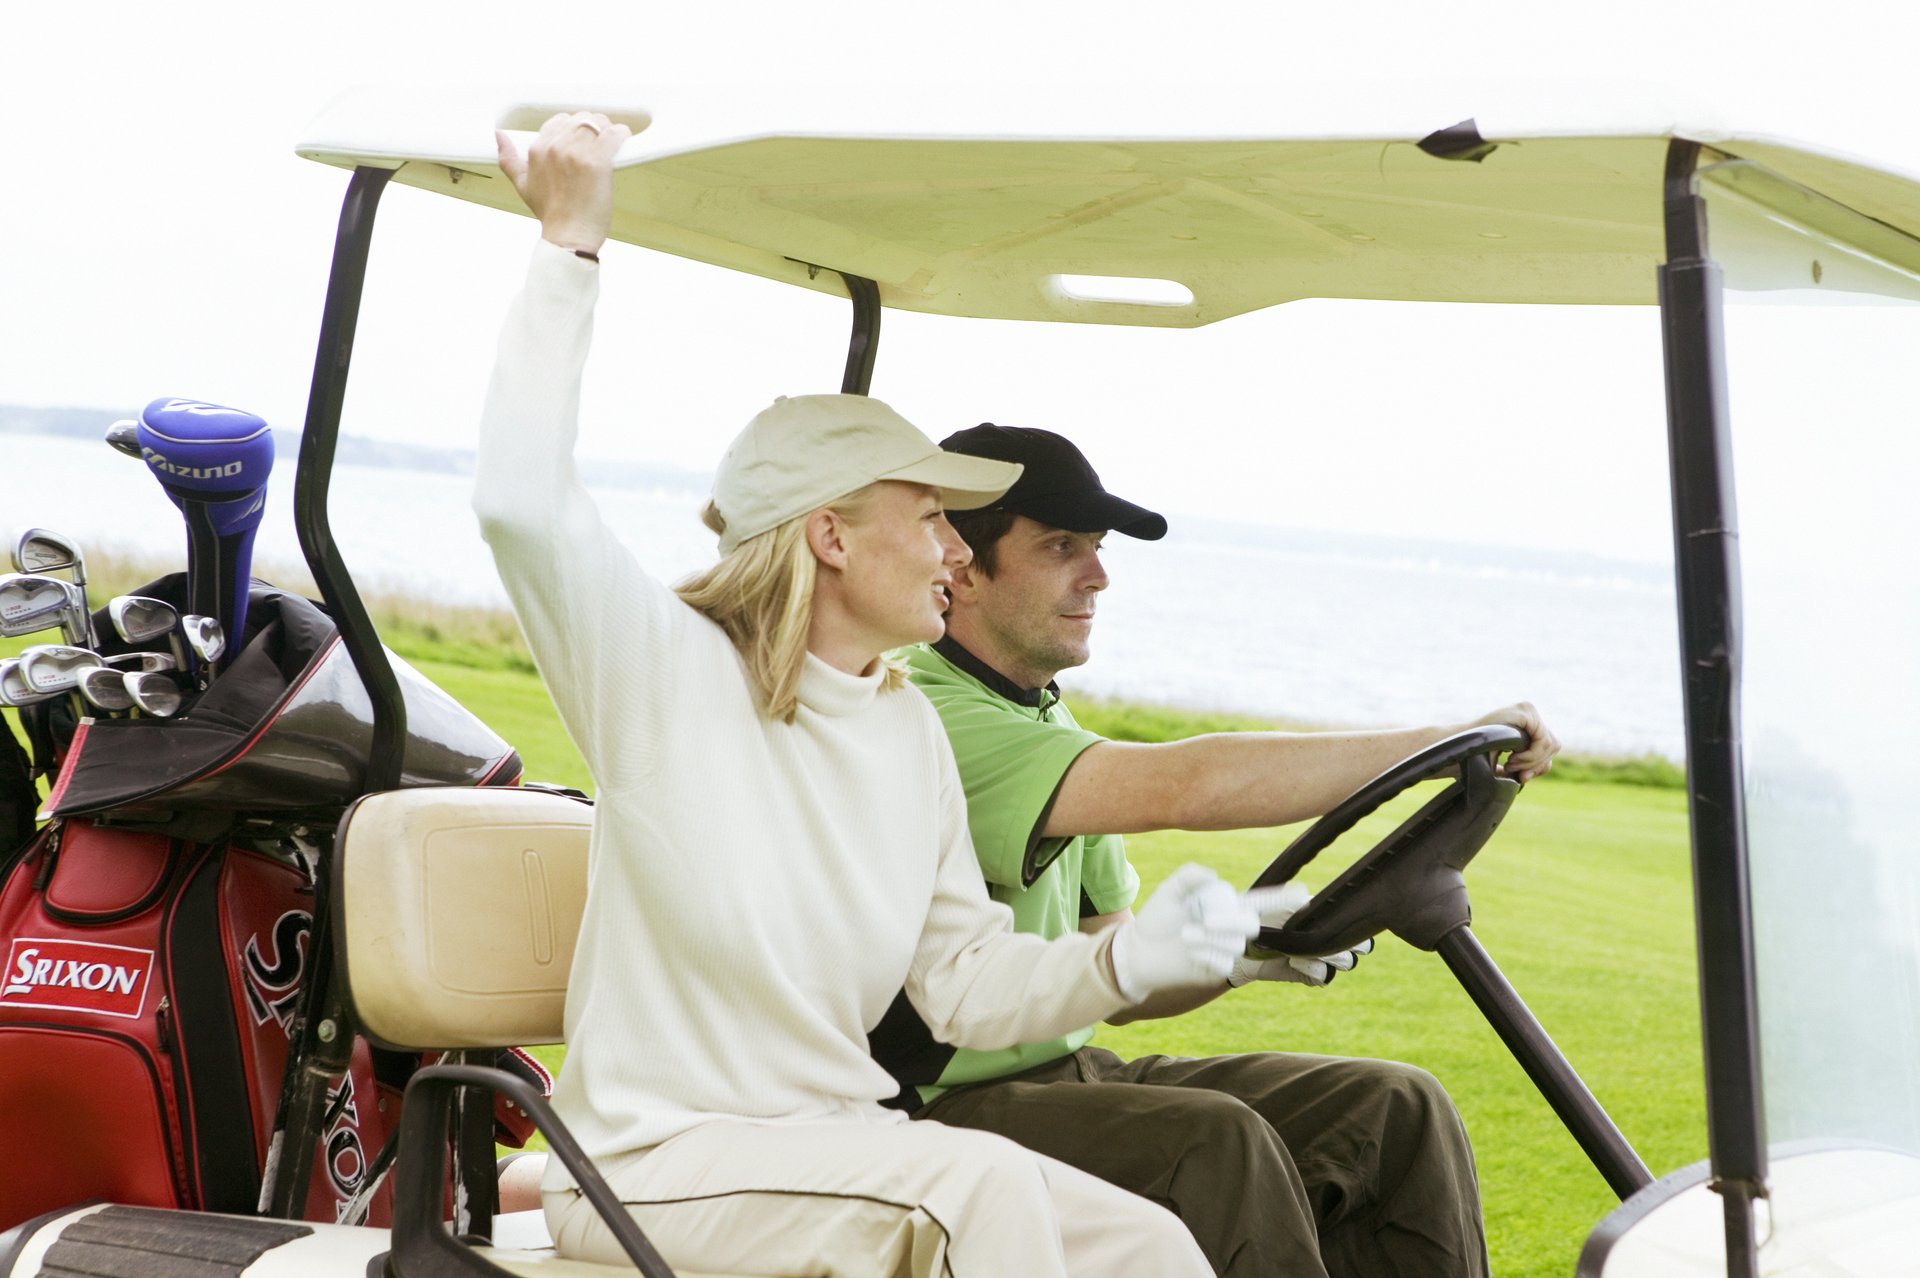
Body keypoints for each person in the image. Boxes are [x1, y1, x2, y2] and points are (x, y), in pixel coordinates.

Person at [475, 112, 1294, 1278]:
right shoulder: (661, 672)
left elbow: (964, 984)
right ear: (831, 538)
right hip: (652, 1165)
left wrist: (1134, 960)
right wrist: (570, 241)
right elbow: (520, 501)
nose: (956, 551)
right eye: (931, 518)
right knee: (979, 1192)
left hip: (839, 1147)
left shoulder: (904, 728)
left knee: (1144, 1243)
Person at [871, 424, 1563, 1278]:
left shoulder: (1045, 720)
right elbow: (1186, 786)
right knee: (1215, 1144)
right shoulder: (929, 711)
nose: (1098, 575)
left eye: (1096, 547)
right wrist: (1437, 742)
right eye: (1060, 547)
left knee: (1394, 1106)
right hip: (936, 1104)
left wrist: (1243, 955)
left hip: (1066, 1072)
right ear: (965, 569)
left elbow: (1115, 968)